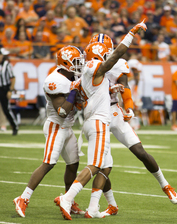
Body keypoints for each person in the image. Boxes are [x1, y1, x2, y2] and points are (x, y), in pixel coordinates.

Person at [54, 20, 147, 221]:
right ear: (99, 55)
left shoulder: (85, 76)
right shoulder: (97, 66)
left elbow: (94, 92)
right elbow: (115, 56)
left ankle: (95, 207)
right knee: (95, 165)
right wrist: (131, 34)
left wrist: (114, 90)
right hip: (98, 122)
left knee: (105, 166)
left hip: (91, 121)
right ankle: (67, 198)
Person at [86, 34, 177, 217]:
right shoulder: (87, 65)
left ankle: (165, 184)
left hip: (113, 111)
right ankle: (111, 204)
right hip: (96, 114)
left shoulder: (118, 63)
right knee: (103, 164)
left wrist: (128, 107)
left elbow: (125, 86)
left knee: (139, 151)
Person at [13, 45, 85, 218]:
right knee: (49, 163)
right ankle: (23, 198)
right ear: (66, 63)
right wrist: (74, 91)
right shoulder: (55, 80)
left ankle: (68, 199)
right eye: (75, 62)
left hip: (67, 127)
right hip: (56, 125)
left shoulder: (72, 76)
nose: (79, 65)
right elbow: (62, 111)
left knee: (73, 164)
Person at [0, 47, 18, 135]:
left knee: (6, 109)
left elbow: (13, 78)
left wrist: (10, 90)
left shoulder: (7, 64)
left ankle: (14, 126)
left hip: (4, 88)